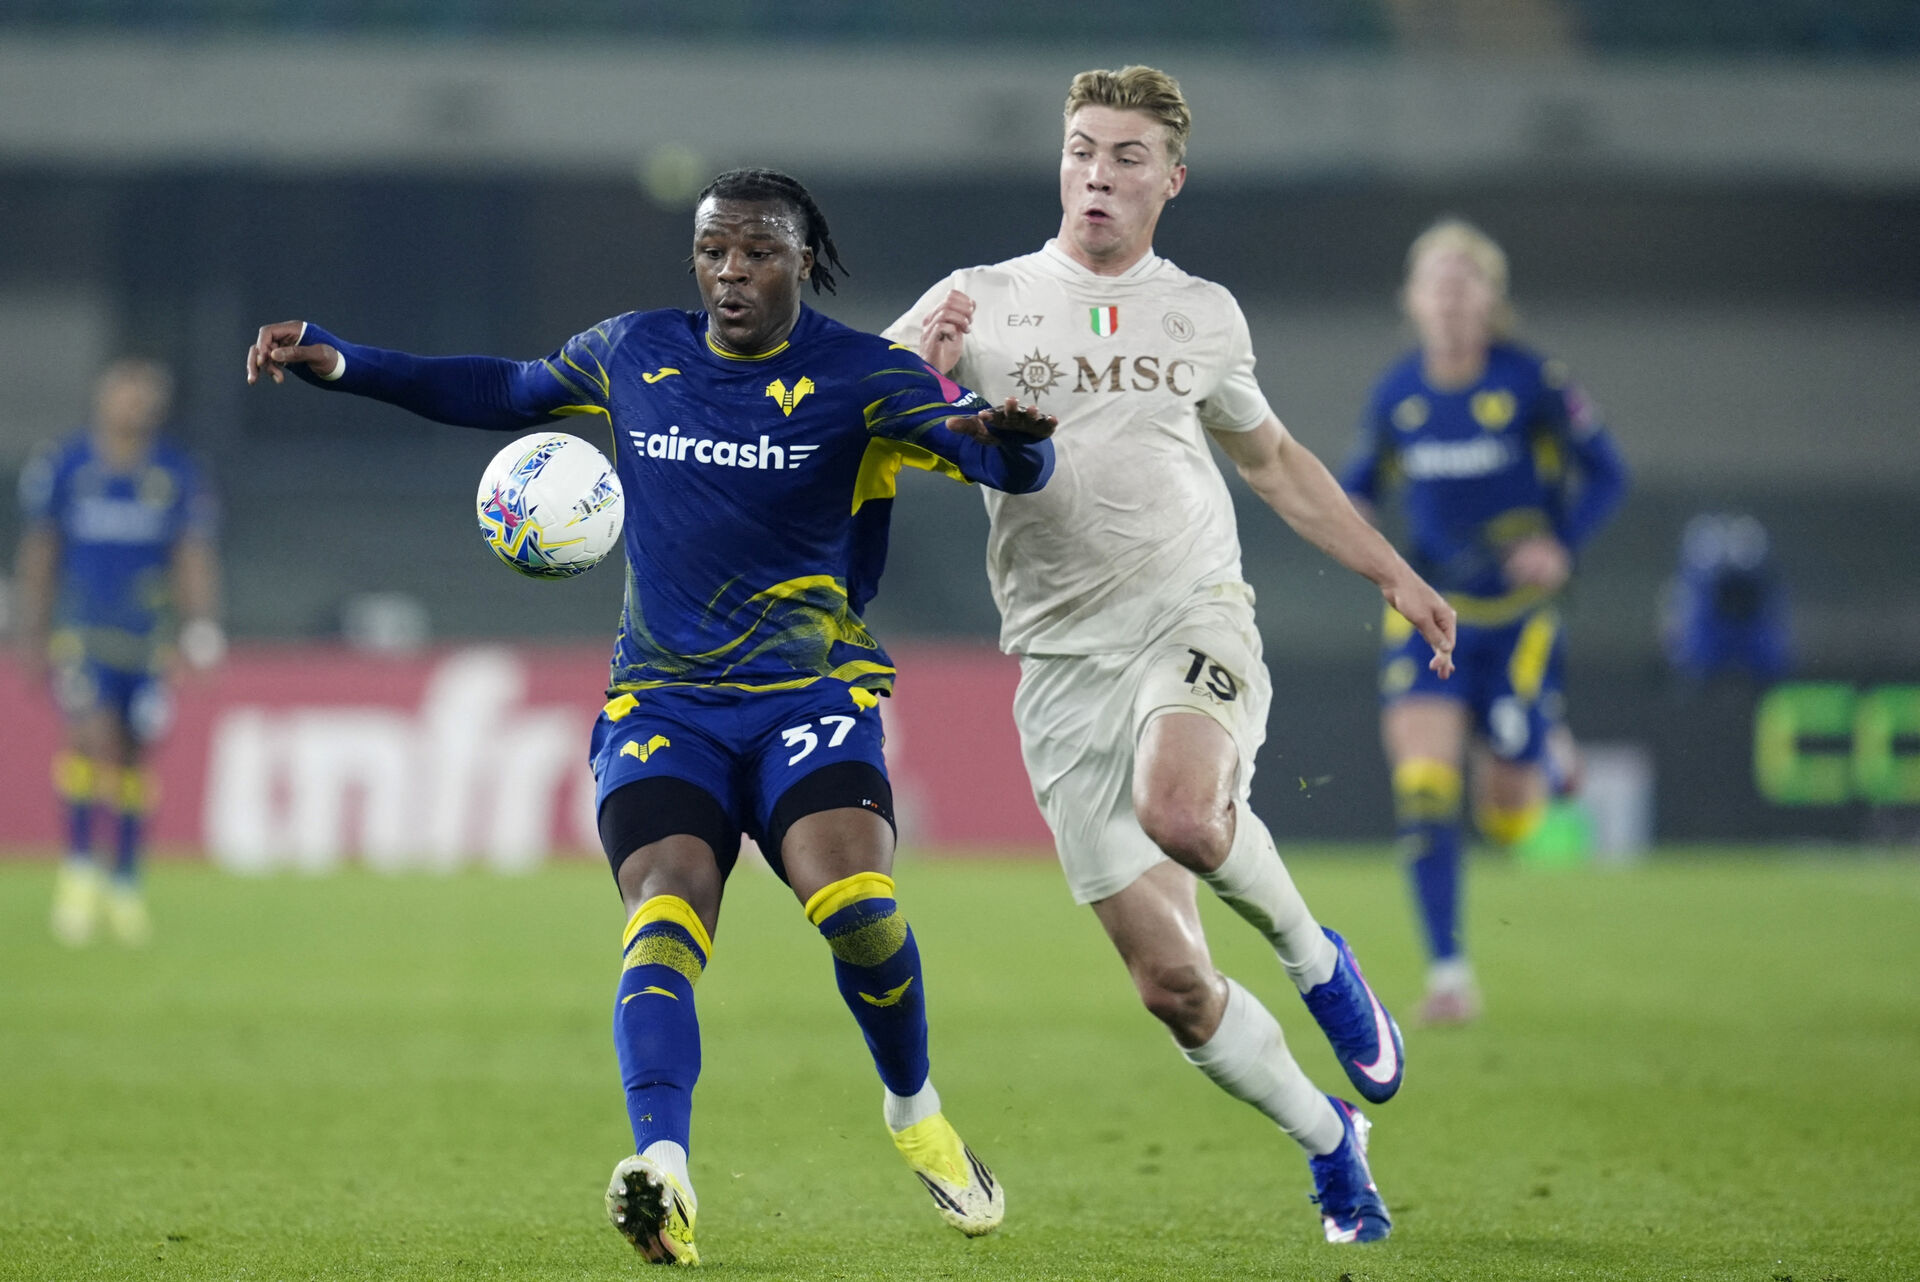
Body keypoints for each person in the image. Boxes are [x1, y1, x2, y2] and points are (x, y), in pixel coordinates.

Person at [245, 168, 1056, 1266]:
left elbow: (991, 454)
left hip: (809, 696)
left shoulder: (867, 376)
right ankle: (662, 1170)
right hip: (664, 703)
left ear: (803, 262)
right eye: (714, 251)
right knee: (664, 912)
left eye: (757, 252)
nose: (731, 273)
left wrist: (1019, 441)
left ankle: (914, 1110)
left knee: (858, 906)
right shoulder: (635, 351)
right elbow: (503, 389)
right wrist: (345, 362)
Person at [885, 67, 1456, 1246]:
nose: (1097, 174)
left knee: (1184, 812)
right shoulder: (977, 299)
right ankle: (1331, 1140)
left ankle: (1318, 961)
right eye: (1082, 150)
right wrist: (923, 379)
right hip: (1060, 667)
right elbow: (850, 425)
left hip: (1190, 614)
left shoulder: (1202, 314)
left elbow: (1274, 461)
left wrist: (1391, 571)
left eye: (1126, 156)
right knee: (1173, 988)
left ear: (1171, 180)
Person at [1341, 217, 1628, 1024]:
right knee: (1424, 787)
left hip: (1518, 620)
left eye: (1464, 283)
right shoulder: (1398, 394)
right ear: (1412, 300)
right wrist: (1345, 514)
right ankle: (1448, 973)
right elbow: (1360, 483)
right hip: (1430, 614)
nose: (1450, 298)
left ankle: (1542, 742)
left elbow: (1608, 473)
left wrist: (1560, 543)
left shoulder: (1532, 380)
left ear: (1490, 298)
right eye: (1436, 284)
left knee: (1509, 819)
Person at [15, 358, 223, 948]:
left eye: (146, 396)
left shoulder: (176, 473)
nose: (135, 405)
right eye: (126, 393)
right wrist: (32, 630)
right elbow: (41, 549)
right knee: (88, 736)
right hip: (82, 630)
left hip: (147, 638)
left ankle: (126, 879)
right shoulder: (65, 466)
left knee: (133, 754)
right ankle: (80, 870)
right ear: (102, 399)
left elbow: (191, 553)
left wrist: (201, 627)